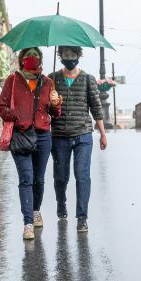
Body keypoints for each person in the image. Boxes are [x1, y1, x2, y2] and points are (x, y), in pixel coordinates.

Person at [0, 47, 61, 240]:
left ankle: (35, 210)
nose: (31, 59)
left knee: (38, 179)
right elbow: (1, 106)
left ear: (40, 60)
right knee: (26, 178)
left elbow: (55, 114)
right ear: (22, 60)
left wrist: (55, 104)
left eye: (35, 57)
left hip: (42, 136)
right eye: (27, 57)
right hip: (21, 135)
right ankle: (27, 223)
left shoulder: (48, 82)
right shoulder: (13, 80)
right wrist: (16, 118)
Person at [49, 46, 108, 232]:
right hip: (59, 136)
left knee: (82, 176)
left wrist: (103, 133)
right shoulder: (52, 79)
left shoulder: (88, 79)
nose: (69, 58)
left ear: (78, 56)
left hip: (83, 135)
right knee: (61, 177)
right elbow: (45, 109)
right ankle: (61, 204)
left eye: (72, 54)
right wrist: (50, 101)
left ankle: (82, 217)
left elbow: (96, 108)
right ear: (60, 56)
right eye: (65, 55)